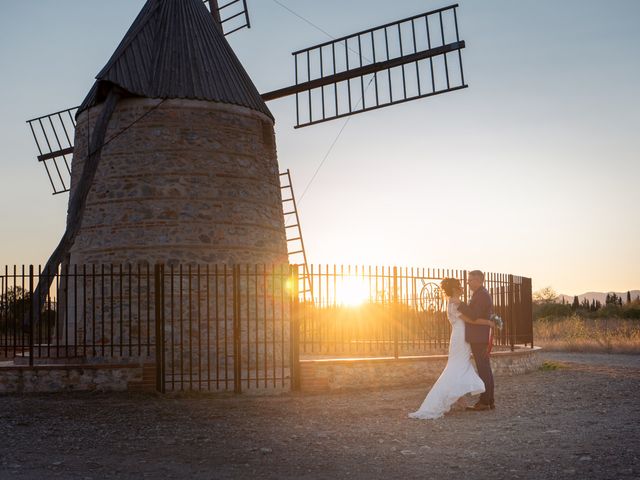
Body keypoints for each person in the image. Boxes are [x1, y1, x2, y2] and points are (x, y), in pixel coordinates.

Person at [408, 278, 495, 420]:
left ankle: (459, 399)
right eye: (460, 286)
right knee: (457, 367)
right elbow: (471, 319)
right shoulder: (454, 303)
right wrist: (489, 322)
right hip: (460, 338)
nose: (463, 287)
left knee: (458, 366)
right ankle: (449, 399)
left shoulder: (455, 302)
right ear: (454, 289)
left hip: (460, 337)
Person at [450, 270, 495, 411]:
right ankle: (488, 401)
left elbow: (474, 316)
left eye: (470, 280)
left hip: (479, 337)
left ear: (478, 281)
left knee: (483, 369)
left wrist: (461, 304)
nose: (468, 282)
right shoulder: (479, 294)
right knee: (484, 368)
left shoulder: (482, 295)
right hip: (478, 336)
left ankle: (485, 402)